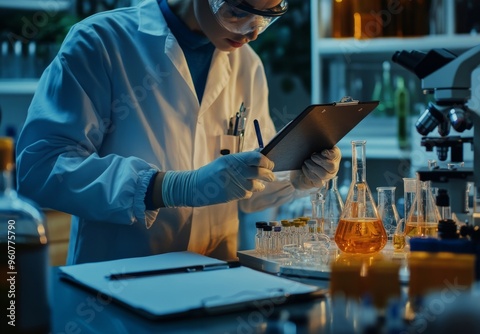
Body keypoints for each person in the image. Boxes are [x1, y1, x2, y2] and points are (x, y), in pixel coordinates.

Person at [16, 0, 341, 265]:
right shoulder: (100, 41)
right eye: (237, 13)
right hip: (117, 286)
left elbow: (249, 192)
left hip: (213, 283)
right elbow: (42, 167)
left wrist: (296, 175)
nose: (252, 33)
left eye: (265, 18)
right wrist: (169, 188)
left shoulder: (248, 65)